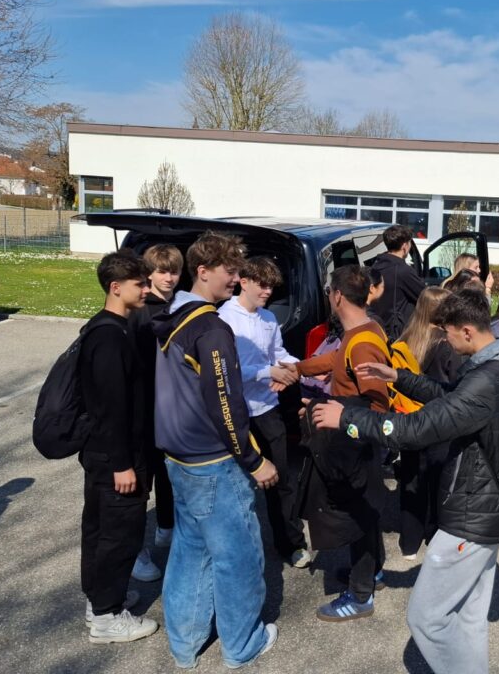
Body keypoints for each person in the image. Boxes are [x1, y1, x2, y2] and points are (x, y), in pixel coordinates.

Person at [311, 288, 499, 674]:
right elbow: (450, 398)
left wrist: (347, 419)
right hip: (488, 511)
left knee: (426, 619)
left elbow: (414, 429)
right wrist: (399, 377)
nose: (443, 339)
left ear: (467, 331)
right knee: (468, 616)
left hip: (472, 517)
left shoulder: (485, 382)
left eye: (447, 332)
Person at [151, 231, 279, 669]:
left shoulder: (172, 314)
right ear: (202, 271)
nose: (236, 279)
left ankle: (184, 646)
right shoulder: (211, 328)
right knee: (237, 557)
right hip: (213, 461)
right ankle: (242, 645)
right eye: (230, 271)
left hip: (178, 458)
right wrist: (254, 460)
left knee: (190, 551)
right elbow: (226, 402)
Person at [294, 265, 391, 622]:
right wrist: (297, 369)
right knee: (365, 510)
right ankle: (370, 573)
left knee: (358, 515)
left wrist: (329, 411)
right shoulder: (364, 330)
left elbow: (378, 403)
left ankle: (361, 595)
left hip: (358, 443)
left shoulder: (362, 343)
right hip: (356, 438)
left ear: (336, 296)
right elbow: (337, 359)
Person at [79, 249, 158, 643]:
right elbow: (110, 408)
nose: (146, 290)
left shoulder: (110, 327)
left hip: (105, 455)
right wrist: (122, 464)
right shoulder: (109, 337)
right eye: (139, 284)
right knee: (119, 536)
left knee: (99, 531)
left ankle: (98, 601)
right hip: (116, 458)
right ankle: (107, 618)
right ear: (115, 287)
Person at [218, 257, 311, 569]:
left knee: (281, 479)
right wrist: (267, 372)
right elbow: (226, 370)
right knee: (235, 484)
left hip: (267, 409)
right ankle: (233, 549)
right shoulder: (223, 318)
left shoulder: (269, 318)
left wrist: (299, 368)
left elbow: (278, 354)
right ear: (243, 282)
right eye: (262, 285)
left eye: (271, 286)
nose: (268, 291)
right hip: (235, 412)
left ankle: (291, 542)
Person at [127, 243, 183, 584]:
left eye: (174, 271)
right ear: (148, 274)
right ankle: (134, 550)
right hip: (143, 409)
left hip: (169, 407)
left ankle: (166, 526)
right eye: (162, 271)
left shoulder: (178, 306)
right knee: (140, 480)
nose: (169, 278)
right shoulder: (140, 311)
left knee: (167, 471)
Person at [392, 286, 462, 559]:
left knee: (411, 480)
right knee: (437, 482)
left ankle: (409, 542)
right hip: (438, 422)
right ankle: (434, 536)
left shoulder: (406, 338)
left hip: (409, 419)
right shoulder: (447, 344)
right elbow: (455, 384)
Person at [371, 224, 426, 340]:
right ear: (405, 246)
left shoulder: (375, 266)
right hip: (397, 334)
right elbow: (425, 296)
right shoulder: (403, 271)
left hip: (377, 329)